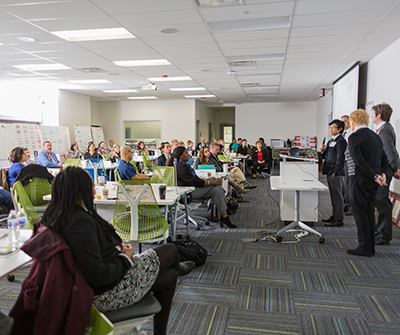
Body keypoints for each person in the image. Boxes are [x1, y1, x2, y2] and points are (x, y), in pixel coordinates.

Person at [40, 166, 180, 335]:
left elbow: (88, 257)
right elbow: (98, 276)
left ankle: (175, 271)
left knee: (170, 275)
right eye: (91, 184)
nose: (94, 188)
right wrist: (125, 258)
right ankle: (177, 268)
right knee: (171, 250)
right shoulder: (79, 223)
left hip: (89, 285)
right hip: (103, 293)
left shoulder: (56, 216)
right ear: (79, 192)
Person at [347, 109, 388, 257]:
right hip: (374, 181)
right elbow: (384, 158)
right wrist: (381, 174)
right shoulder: (375, 136)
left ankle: (364, 247)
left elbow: (359, 161)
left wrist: (374, 174)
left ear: (353, 121)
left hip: (360, 179)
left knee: (360, 214)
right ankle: (370, 247)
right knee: (369, 212)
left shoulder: (354, 137)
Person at [167, 146, 236, 228]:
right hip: (187, 193)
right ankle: (225, 210)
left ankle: (224, 213)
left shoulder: (185, 165)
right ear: (181, 156)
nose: (188, 154)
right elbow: (195, 182)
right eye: (186, 153)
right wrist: (212, 182)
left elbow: (196, 179)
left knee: (216, 186)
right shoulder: (180, 167)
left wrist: (212, 181)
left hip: (192, 189)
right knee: (215, 187)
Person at [372, 103, 400, 245]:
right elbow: (394, 152)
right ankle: (380, 230)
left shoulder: (384, 130)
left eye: (373, 114)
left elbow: (390, 153)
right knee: (381, 200)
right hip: (385, 169)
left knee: (382, 201)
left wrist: (393, 169)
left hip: (384, 171)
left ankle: (384, 235)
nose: (372, 117)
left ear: (379, 116)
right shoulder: (385, 129)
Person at [319, 119, 347, 227]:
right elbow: (323, 156)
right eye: (330, 128)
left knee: (337, 196)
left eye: (333, 127)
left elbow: (340, 158)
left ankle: (339, 219)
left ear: (340, 129)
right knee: (333, 195)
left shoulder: (341, 141)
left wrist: (336, 172)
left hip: (335, 172)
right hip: (329, 171)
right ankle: (334, 216)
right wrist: (321, 149)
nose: (331, 129)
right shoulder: (331, 141)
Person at [340, 115, 354, 216]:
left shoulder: (351, 133)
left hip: (349, 161)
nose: (343, 123)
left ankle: (351, 206)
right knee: (344, 185)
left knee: (348, 183)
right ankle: (345, 204)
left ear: (349, 122)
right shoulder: (343, 134)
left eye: (345, 121)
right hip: (343, 160)